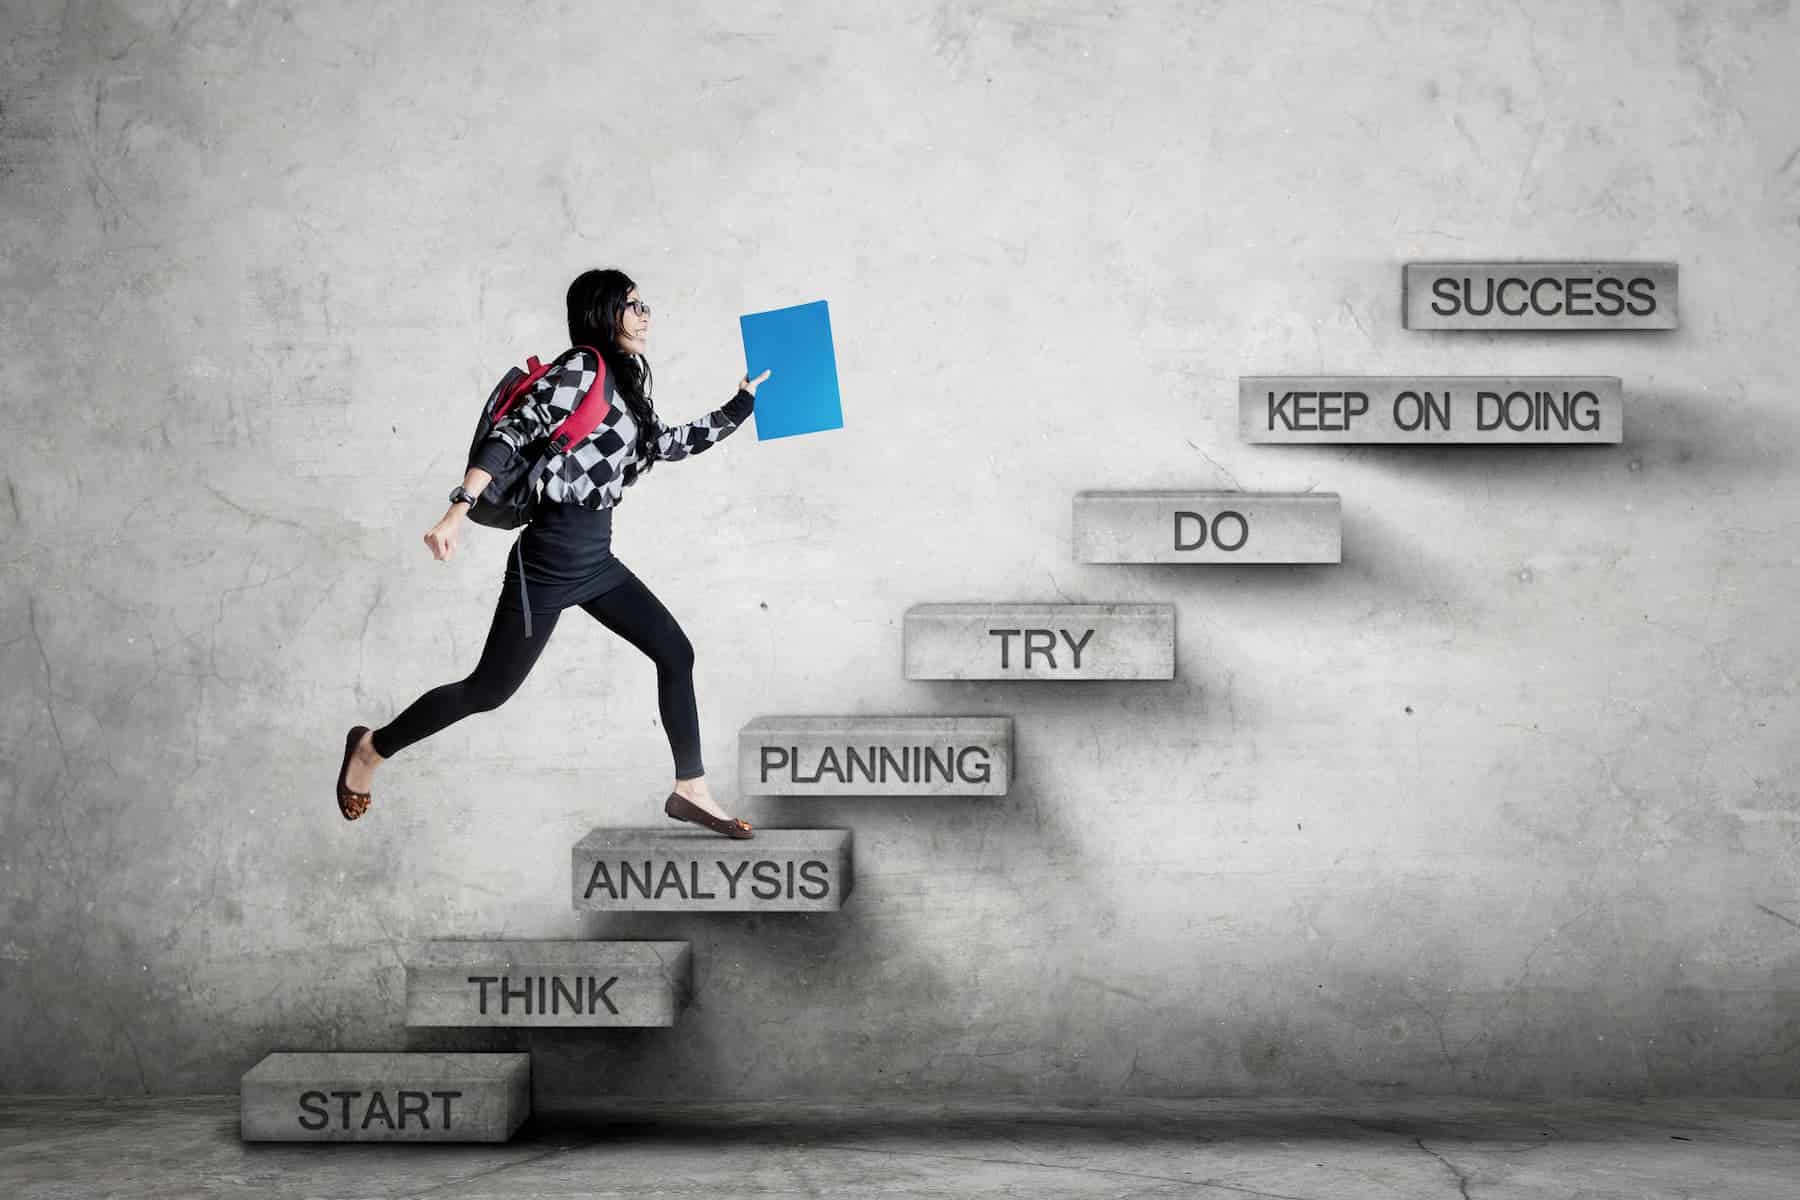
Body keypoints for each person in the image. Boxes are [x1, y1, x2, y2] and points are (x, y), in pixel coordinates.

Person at [333, 268, 770, 838]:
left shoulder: (625, 381)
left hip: (597, 561)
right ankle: (371, 748)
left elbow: (665, 445)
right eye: (632, 305)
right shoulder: (582, 368)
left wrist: (741, 405)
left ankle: (690, 789)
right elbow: (510, 433)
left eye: (644, 305)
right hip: (546, 564)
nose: (645, 315)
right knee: (487, 691)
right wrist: (457, 509)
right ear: (602, 312)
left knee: (674, 652)